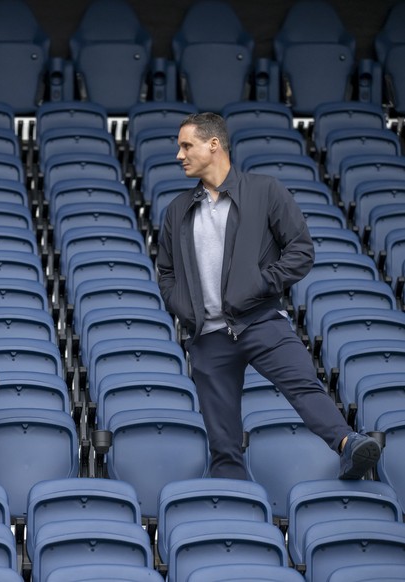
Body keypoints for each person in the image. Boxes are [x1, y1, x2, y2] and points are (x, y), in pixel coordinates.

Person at [156, 112, 380, 481]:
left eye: (186, 145)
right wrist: (182, 307)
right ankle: (231, 506)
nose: (179, 155)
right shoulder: (178, 209)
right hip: (208, 338)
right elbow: (166, 271)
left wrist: (260, 284)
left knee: (304, 384)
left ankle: (349, 446)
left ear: (214, 144)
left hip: (260, 321)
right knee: (222, 440)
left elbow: (301, 250)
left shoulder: (264, 190)